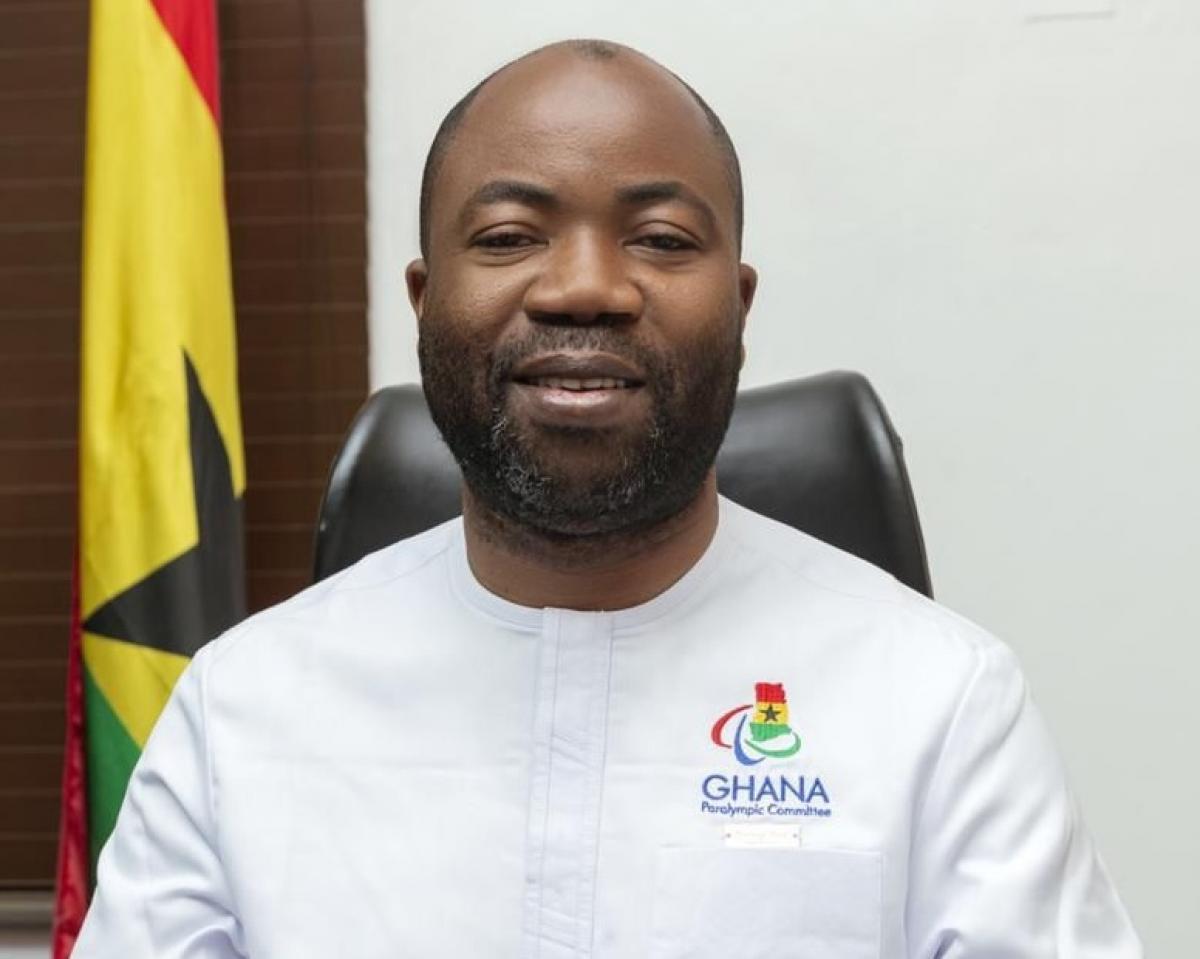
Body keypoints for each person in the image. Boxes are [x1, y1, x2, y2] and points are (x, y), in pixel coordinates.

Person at [74, 40, 1142, 957]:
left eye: (662, 239)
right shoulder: (242, 710)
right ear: (424, 300)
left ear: (738, 303)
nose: (584, 285)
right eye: (506, 236)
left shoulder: (940, 703)